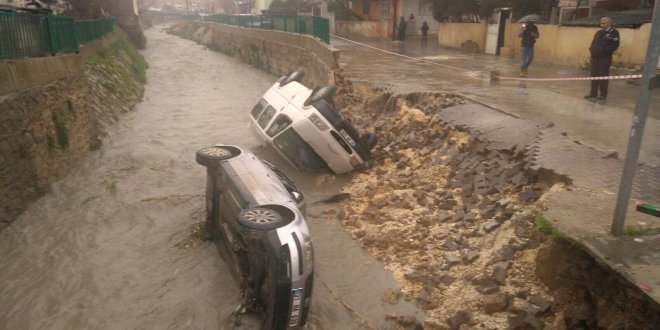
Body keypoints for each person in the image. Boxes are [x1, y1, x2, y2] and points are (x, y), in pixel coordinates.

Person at [585, 17, 620, 100]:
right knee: (594, 76)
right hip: (595, 58)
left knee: (603, 77)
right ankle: (593, 94)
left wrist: (605, 51)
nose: (602, 24)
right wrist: (592, 50)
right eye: (601, 23)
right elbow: (594, 43)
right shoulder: (599, 32)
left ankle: (602, 95)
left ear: (609, 23)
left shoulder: (613, 32)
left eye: (604, 23)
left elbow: (615, 45)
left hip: (604, 59)